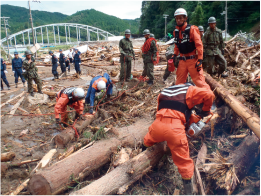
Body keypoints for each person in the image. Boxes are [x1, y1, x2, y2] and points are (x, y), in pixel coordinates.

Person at [143, 83, 215, 196]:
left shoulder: (164, 92)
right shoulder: (190, 89)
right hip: (174, 130)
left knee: (147, 140)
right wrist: (205, 110)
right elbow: (209, 94)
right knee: (184, 162)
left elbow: (164, 111)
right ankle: (188, 193)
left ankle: (143, 154)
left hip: (157, 126)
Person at [172, 8, 210, 90]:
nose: (178, 20)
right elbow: (176, 46)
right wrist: (174, 55)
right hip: (182, 60)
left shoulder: (192, 29)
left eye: (181, 18)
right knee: (178, 84)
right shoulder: (176, 32)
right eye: (177, 18)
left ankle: (208, 99)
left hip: (192, 60)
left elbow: (199, 45)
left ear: (185, 18)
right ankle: (181, 101)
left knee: (199, 82)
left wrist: (200, 60)